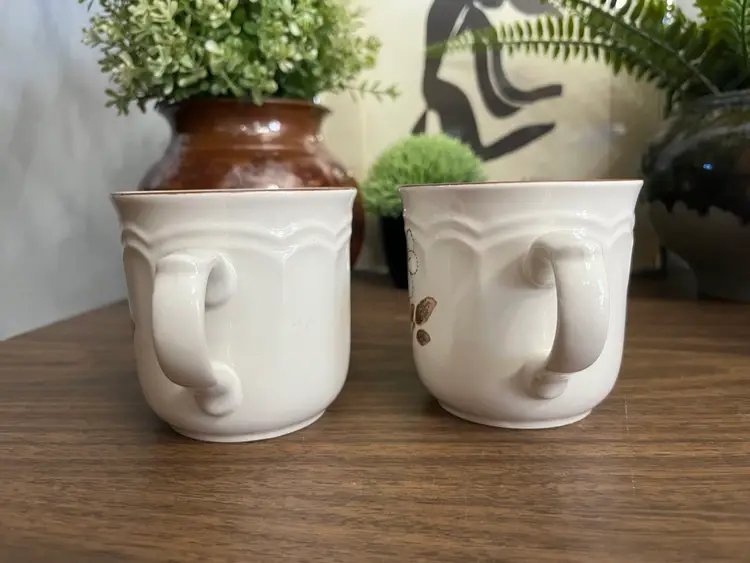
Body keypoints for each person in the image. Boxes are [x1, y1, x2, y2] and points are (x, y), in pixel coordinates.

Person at [412, 0, 563, 161]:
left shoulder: (465, 13)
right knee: (472, 155)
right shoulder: (469, 16)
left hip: (446, 89)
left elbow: (496, 91)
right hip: (449, 92)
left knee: (471, 155)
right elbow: (495, 97)